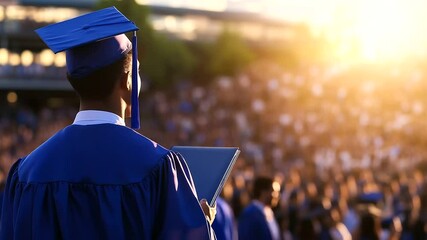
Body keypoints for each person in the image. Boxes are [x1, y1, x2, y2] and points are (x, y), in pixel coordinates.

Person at [0, 7, 215, 240]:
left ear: (72, 80)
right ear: (128, 80)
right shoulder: (157, 167)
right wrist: (200, 224)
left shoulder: (27, 173)